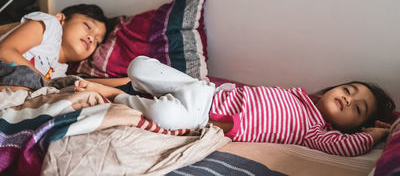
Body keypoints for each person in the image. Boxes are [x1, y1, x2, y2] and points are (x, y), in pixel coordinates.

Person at [74, 56, 396, 157]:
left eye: (357, 109)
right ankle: (131, 84)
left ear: (351, 126)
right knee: (138, 66)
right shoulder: (299, 96)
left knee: (163, 115)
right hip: (205, 91)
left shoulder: (316, 133)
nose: (349, 98)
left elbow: (350, 148)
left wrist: (376, 135)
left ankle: (115, 95)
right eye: (350, 90)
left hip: (201, 117)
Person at [0, 4, 110, 81]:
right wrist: (45, 82)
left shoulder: (60, 74)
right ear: (60, 18)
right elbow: (4, 51)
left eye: (97, 41)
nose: (91, 38)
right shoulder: (51, 25)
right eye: (88, 26)